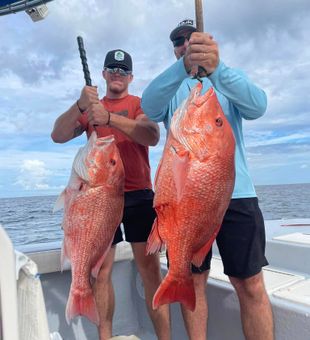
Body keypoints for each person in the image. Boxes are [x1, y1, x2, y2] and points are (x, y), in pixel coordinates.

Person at [141, 19, 274, 340]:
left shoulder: (227, 80)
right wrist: (182, 68)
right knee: (192, 279)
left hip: (237, 195)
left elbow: (258, 106)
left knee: (250, 283)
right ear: (175, 49)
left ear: (209, 42)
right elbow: (149, 104)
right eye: (178, 41)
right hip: (185, 201)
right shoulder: (173, 89)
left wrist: (218, 70)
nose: (185, 43)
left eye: (192, 38)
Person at [51, 49, 170, 340]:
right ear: (103, 74)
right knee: (100, 272)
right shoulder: (90, 107)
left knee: (150, 271)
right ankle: (105, 336)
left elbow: (151, 135)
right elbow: (58, 134)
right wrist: (80, 104)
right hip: (97, 200)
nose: (117, 74)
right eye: (111, 69)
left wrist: (110, 119)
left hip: (139, 195)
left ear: (131, 77)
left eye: (122, 70)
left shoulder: (139, 104)